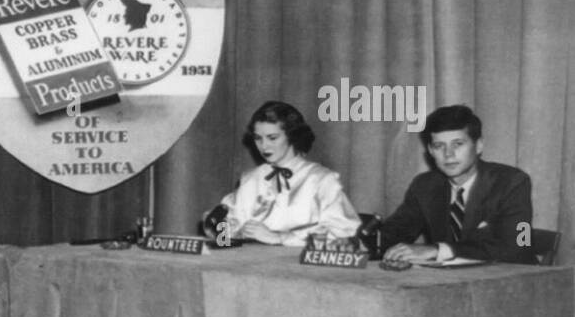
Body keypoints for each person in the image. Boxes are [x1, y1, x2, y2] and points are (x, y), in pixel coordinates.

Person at [381, 105, 534, 265]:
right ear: (430, 151)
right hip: (450, 284)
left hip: (512, 282)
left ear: (479, 145)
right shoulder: (425, 185)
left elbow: (519, 247)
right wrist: (359, 241)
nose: (448, 154)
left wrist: (439, 250)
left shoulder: (512, 182)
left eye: (458, 144)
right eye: (439, 146)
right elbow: (393, 234)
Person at [202, 101, 361, 246]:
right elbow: (225, 230)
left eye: (272, 138)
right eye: (258, 138)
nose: (264, 146)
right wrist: (221, 229)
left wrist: (280, 237)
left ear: (292, 136)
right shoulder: (250, 178)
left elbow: (345, 234)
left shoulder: (321, 179)